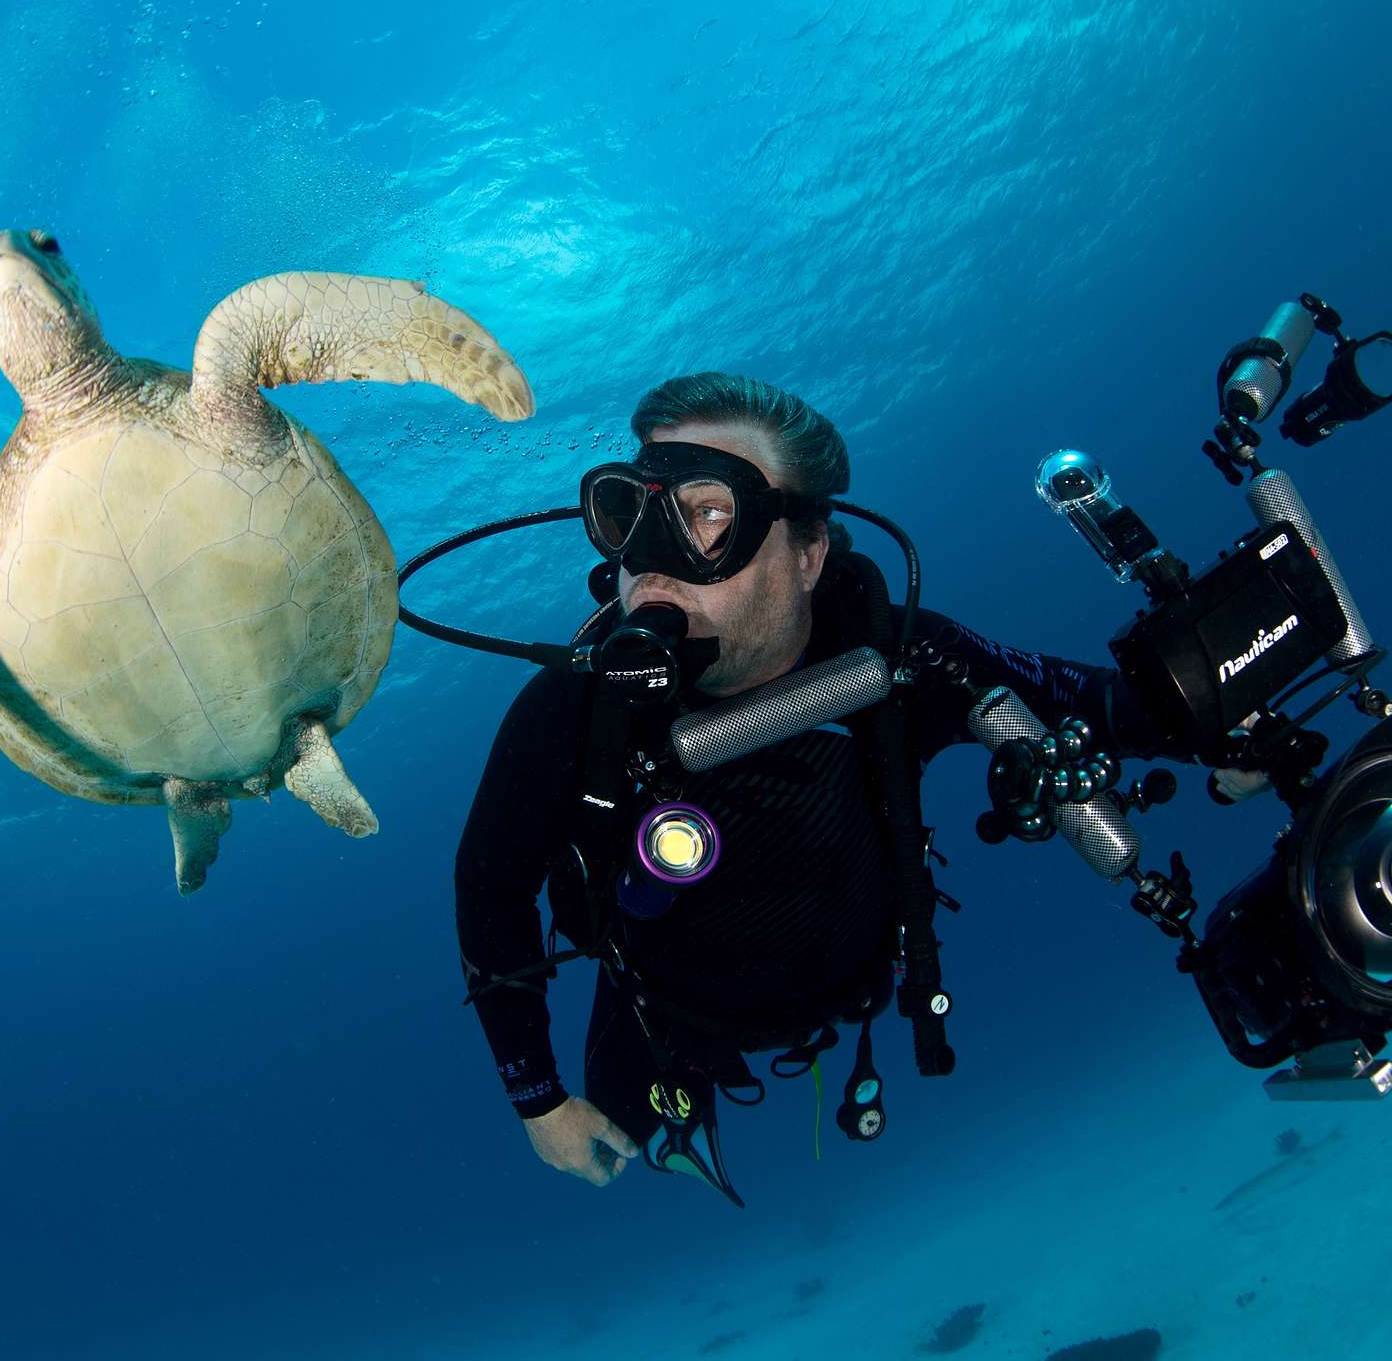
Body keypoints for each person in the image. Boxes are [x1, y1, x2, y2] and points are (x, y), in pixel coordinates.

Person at [453, 372, 1210, 1200]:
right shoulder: (571, 708)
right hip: (663, 1012)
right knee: (614, 1142)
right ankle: (678, 1134)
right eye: (632, 511)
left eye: (708, 514)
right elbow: (490, 884)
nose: (652, 562)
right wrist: (538, 1101)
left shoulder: (898, 654)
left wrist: (1220, 730)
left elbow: (1089, 703)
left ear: (808, 554)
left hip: (852, 977)